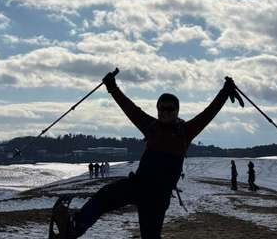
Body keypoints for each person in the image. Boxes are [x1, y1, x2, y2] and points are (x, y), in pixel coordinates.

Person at [54, 73, 243, 239]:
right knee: (104, 196)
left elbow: (208, 113)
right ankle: (74, 228)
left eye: (169, 109)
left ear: (177, 111)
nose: (165, 112)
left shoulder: (185, 131)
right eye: (161, 108)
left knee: (150, 235)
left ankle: (74, 228)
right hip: (138, 185)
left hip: (158, 197)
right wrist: (113, 88)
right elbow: (130, 109)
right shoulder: (151, 127)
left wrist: (225, 92)